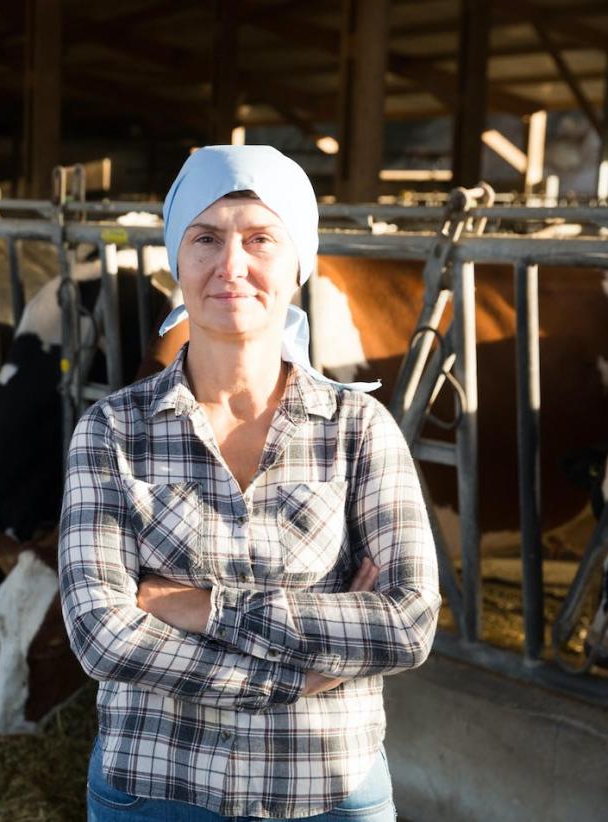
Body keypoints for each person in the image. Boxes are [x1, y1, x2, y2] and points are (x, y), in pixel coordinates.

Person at [57, 145, 441, 821]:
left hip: (327, 794)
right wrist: (294, 677)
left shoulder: (360, 429)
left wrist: (207, 608)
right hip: (158, 790)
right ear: (177, 260)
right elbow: (101, 635)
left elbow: (408, 622)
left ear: (299, 265)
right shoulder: (113, 431)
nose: (230, 266)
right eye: (205, 238)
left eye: (260, 238)